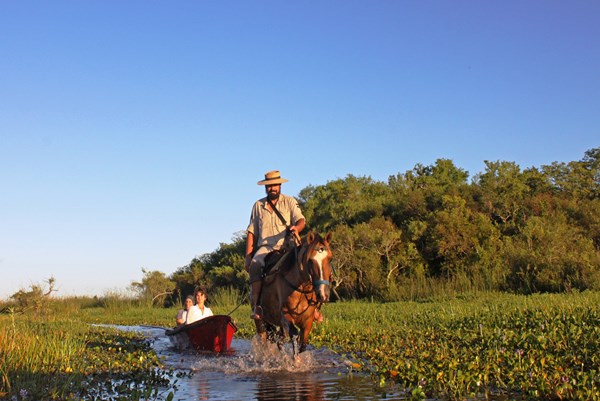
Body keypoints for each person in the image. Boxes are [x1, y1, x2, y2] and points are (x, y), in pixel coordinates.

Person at [245, 170, 306, 320]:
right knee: (255, 265)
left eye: (274, 185)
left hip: (287, 244)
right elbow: (252, 232)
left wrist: (296, 228)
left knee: (309, 260)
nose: (272, 188)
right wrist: (248, 256)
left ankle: (315, 305)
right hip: (266, 247)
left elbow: (301, 220)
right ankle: (257, 306)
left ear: (279, 185)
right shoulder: (258, 206)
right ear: (265, 187)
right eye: (269, 186)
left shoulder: (290, 201)